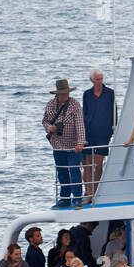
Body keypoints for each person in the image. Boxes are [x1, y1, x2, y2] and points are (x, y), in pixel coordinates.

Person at [43, 79, 87, 209]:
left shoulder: (74, 104)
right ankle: (65, 198)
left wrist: (80, 143)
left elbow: (80, 124)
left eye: (66, 93)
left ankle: (77, 199)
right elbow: (44, 121)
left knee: (74, 171)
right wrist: (49, 128)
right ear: (57, 94)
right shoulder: (50, 105)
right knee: (61, 172)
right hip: (57, 145)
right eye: (62, 94)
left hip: (73, 146)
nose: (65, 96)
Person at [82, 69, 116, 204]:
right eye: (97, 79)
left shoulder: (110, 93)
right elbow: (85, 113)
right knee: (87, 164)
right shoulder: (87, 94)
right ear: (92, 80)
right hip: (88, 131)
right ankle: (88, 193)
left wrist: (112, 130)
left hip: (103, 132)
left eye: (101, 79)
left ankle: (96, 192)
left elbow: (114, 112)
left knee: (98, 163)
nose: (100, 82)